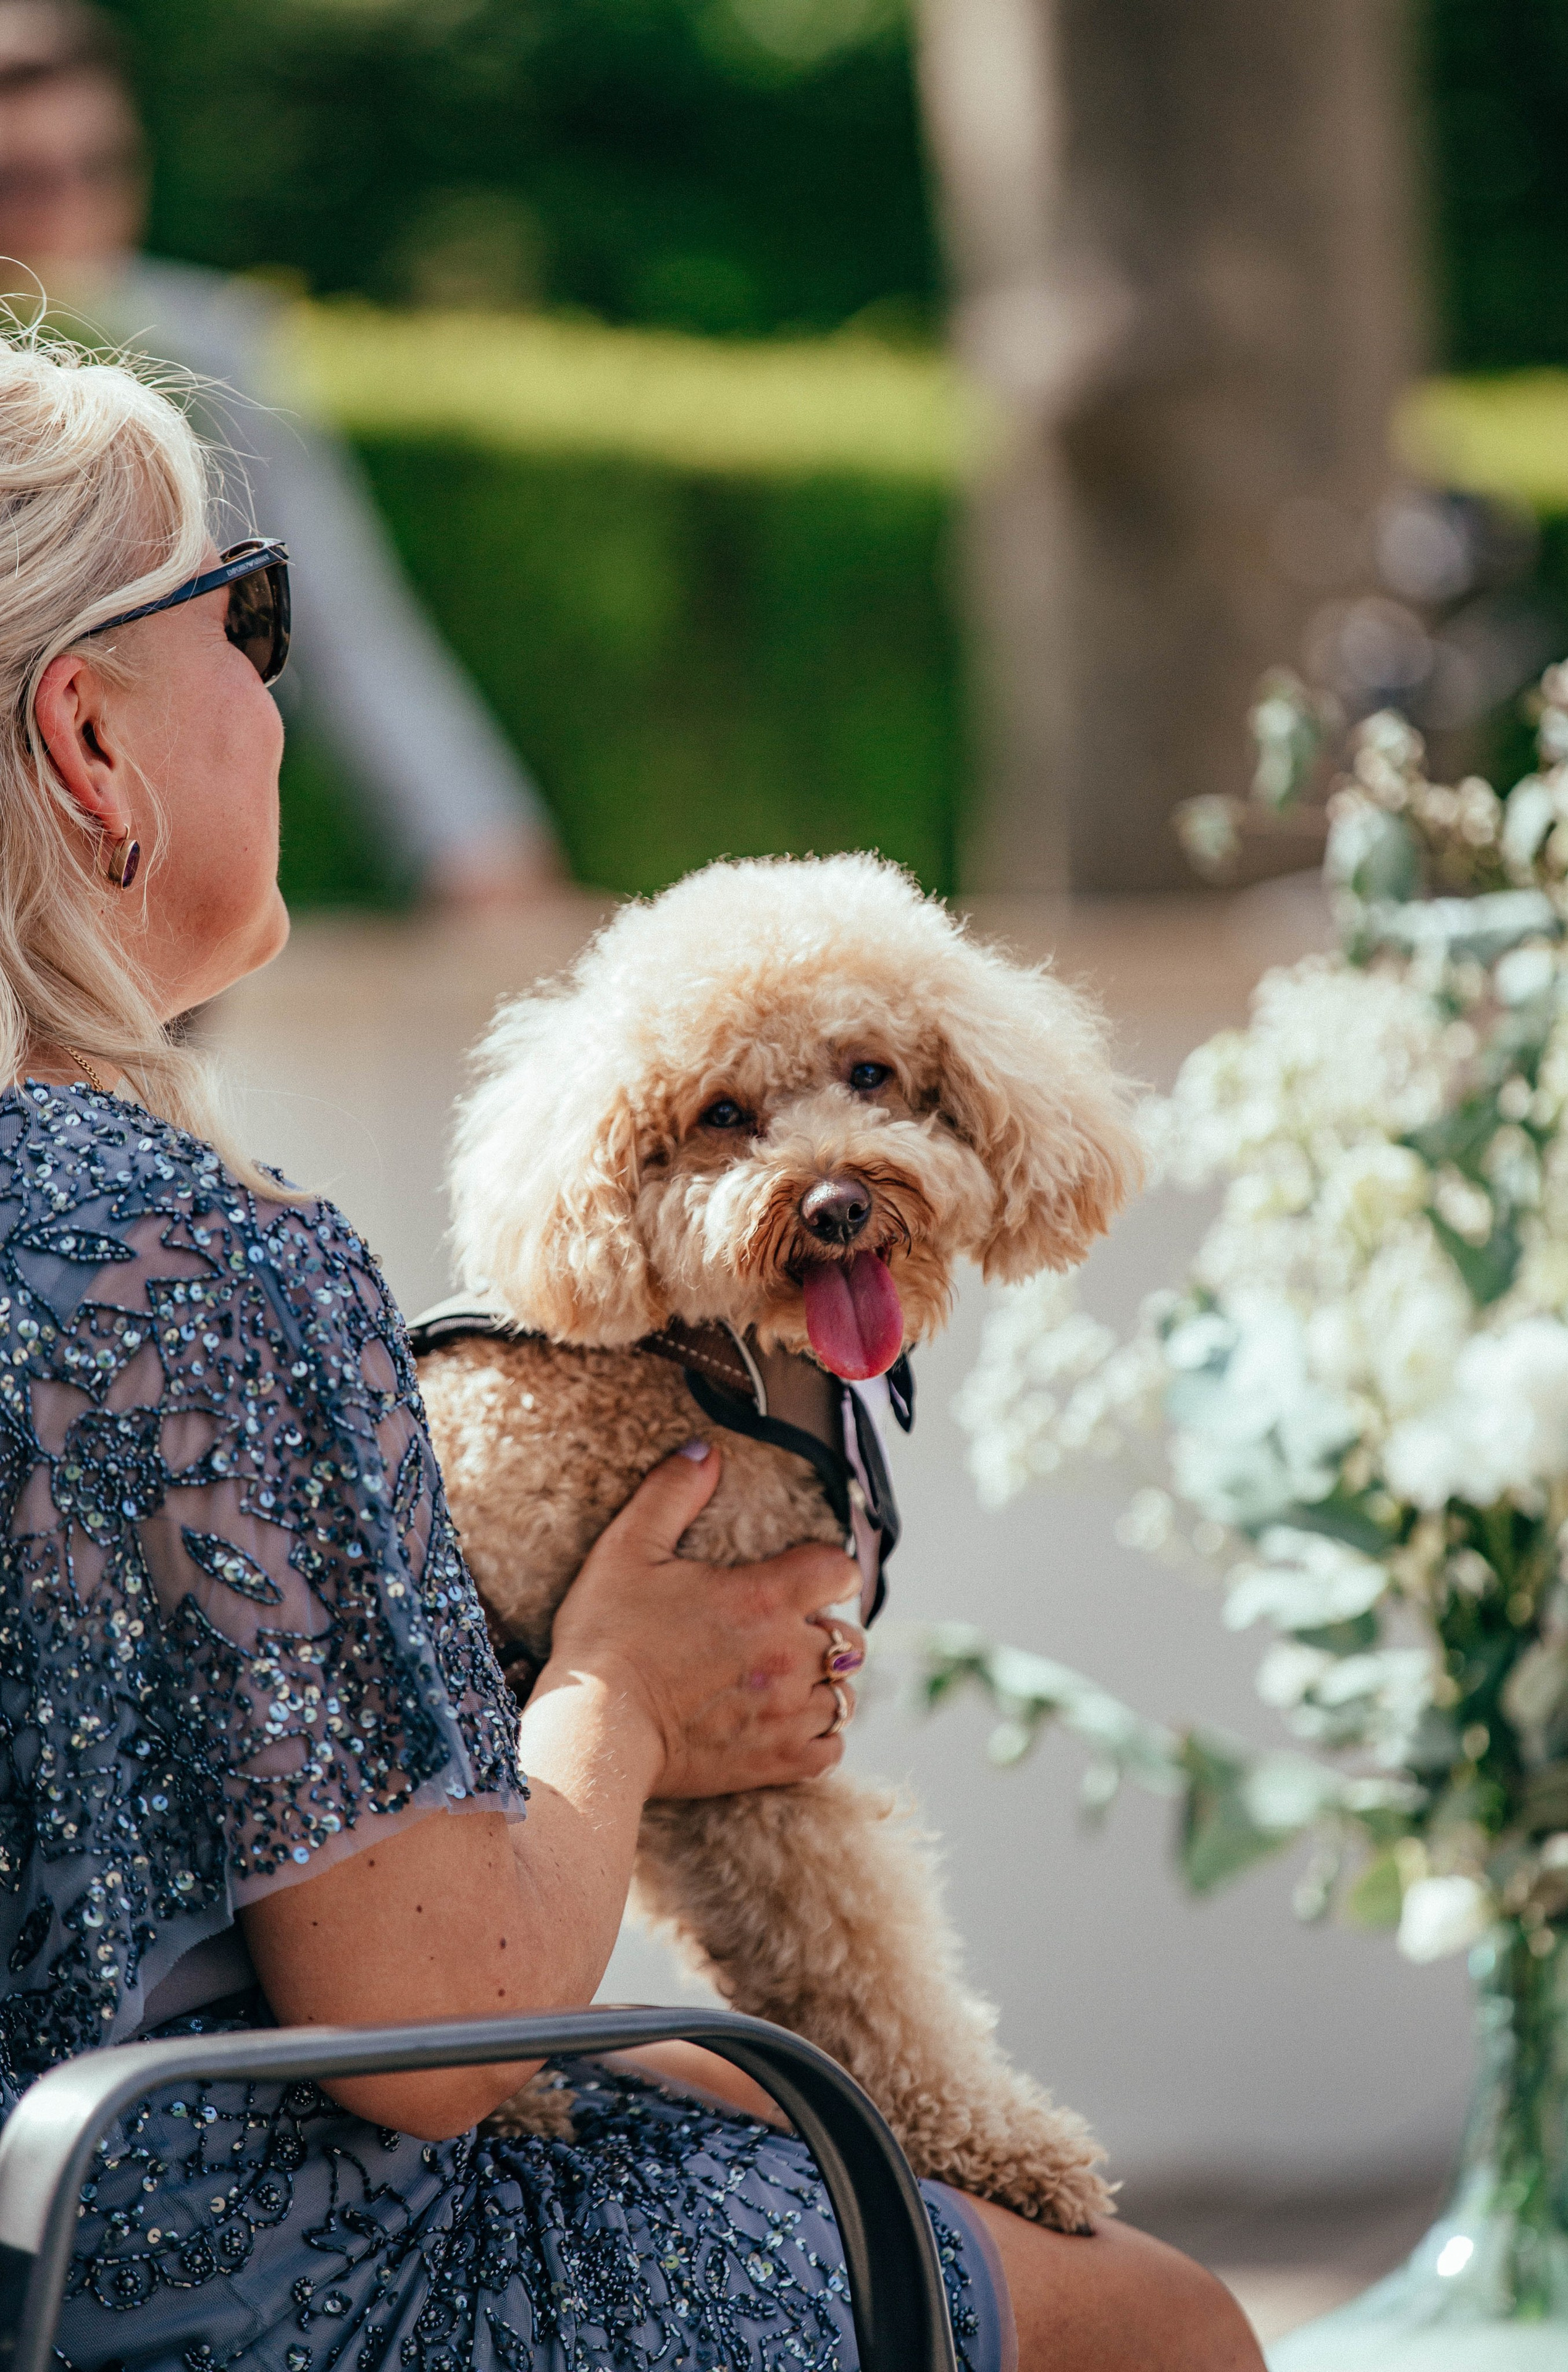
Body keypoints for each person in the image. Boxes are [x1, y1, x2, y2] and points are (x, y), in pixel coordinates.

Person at [0, 337, 1262, 2371]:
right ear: (89, 742)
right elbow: (423, 2030)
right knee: (1167, 2324)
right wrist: (624, 1682)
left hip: (65, 2199)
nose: (272, 687)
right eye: (244, 617)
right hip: (243, 2269)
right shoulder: (198, 1262)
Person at [0, 0, 562, 911]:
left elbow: (348, 624)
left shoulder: (217, 353)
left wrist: (487, 859)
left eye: (98, 169)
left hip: (153, 892)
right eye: (22, 182)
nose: (71, 217)